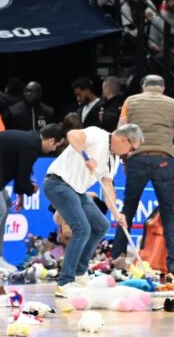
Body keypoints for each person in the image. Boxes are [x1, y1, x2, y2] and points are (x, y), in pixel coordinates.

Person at [43, 124, 137, 295]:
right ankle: (65, 282)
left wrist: (117, 213)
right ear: (124, 139)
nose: (128, 153)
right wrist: (85, 156)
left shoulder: (114, 159)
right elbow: (72, 134)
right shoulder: (98, 134)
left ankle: (79, 273)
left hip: (78, 191)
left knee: (102, 225)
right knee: (82, 229)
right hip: (58, 183)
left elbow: (107, 186)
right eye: (131, 147)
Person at [0, 124, 69, 271]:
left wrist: (21, 196)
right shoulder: (32, 145)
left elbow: (21, 172)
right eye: (56, 145)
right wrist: (30, 189)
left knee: (4, 206)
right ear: (51, 141)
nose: (55, 149)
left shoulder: (32, 142)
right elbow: (23, 179)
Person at [111, 74, 174, 273]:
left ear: (143, 87)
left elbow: (119, 136)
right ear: (163, 88)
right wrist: (169, 155)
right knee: (168, 213)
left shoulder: (130, 101)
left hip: (137, 160)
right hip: (163, 159)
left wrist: (126, 159)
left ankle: (116, 258)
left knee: (127, 210)